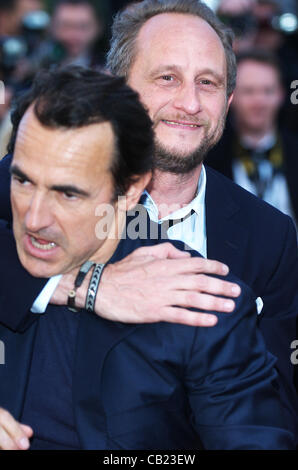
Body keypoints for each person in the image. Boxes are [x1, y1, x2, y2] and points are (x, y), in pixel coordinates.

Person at [0, 0, 297, 441]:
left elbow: (270, 408)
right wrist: (86, 286)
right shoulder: (34, 177)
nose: (190, 103)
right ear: (118, 87)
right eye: (167, 78)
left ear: (228, 100)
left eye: (208, 83)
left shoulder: (270, 235)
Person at [206, 49, 298, 226]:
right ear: (230, 97)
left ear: (281, 94)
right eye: (248, 91)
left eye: (268, 91)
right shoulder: (208, 158)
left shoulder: (294, 150)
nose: (259, 101)